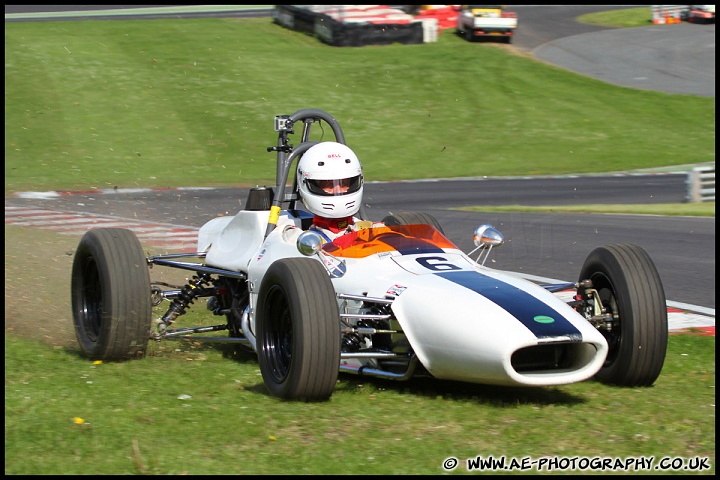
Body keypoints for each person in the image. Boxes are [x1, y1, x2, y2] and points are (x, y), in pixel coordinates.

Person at [283, 141, 383, 244]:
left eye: (344, 183)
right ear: (306, 184)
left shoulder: (375, 229)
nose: (338, 190)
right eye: (328, 184)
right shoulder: (297, 240)